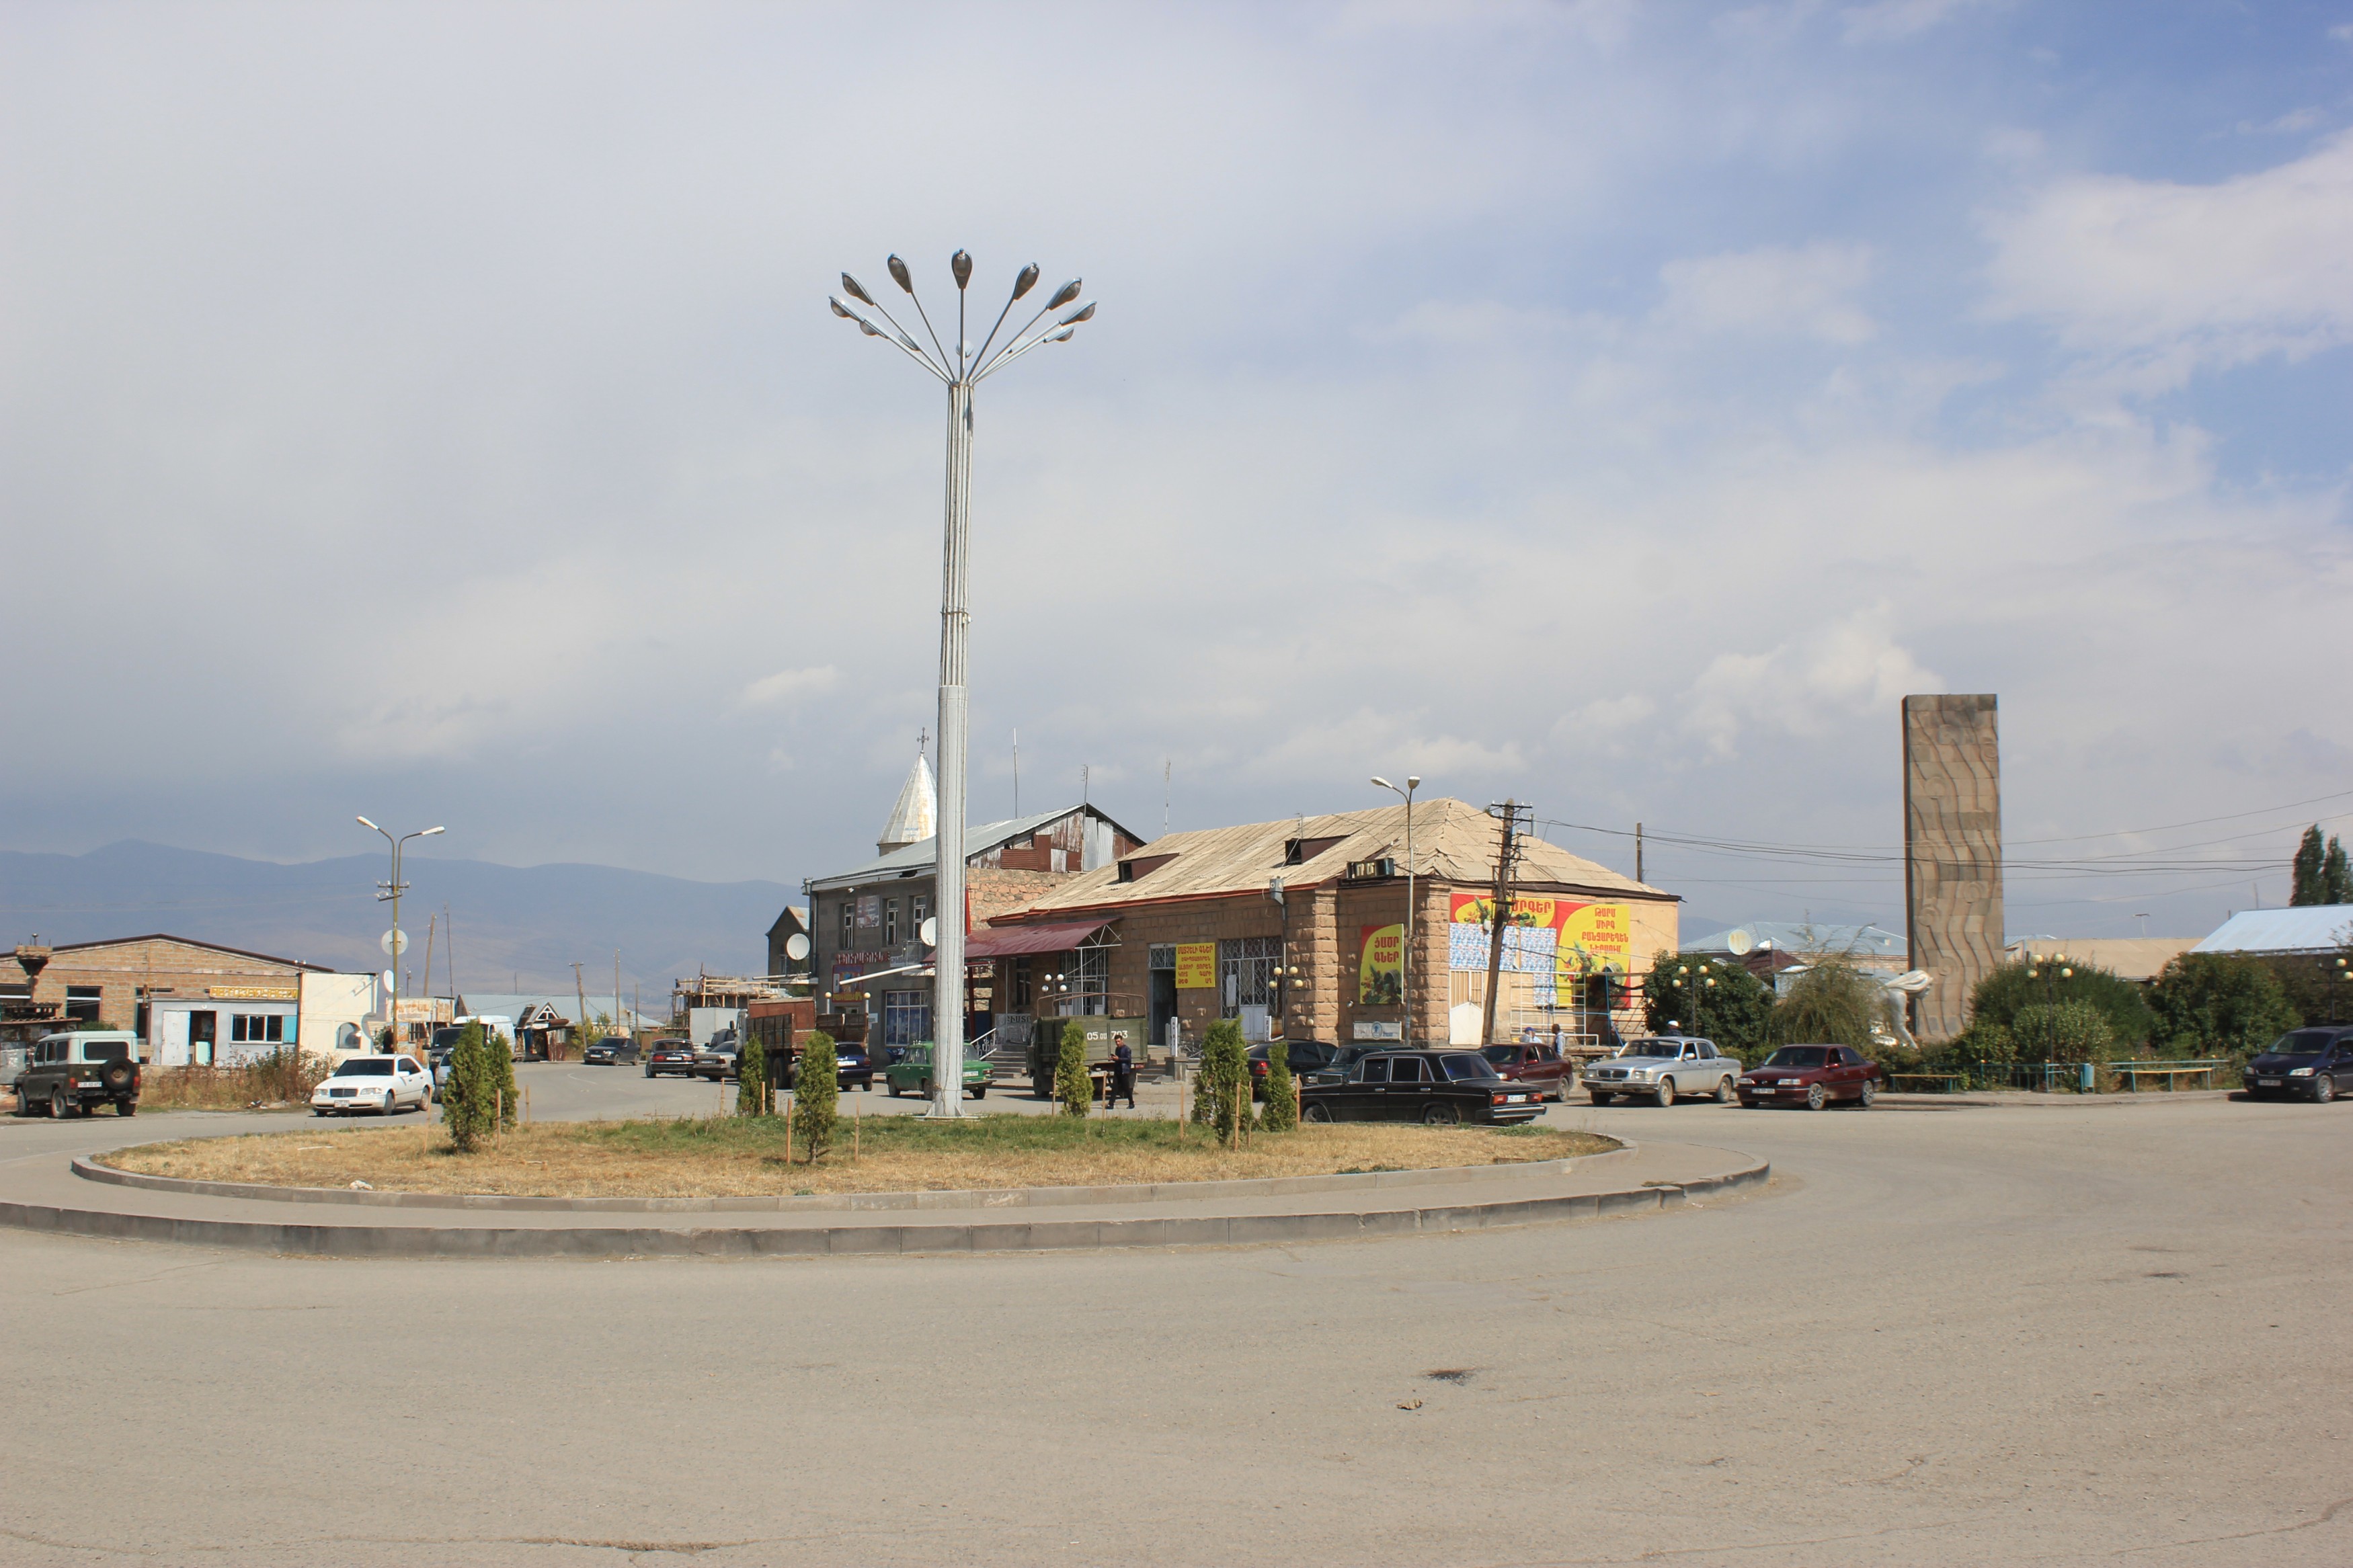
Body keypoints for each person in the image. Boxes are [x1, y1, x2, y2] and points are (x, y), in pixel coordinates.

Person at [1109, 1034, 1135, 1110]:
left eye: (1119, 1041)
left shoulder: (1127, 1049)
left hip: (1124, 1072)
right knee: (1114, 1088)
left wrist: (1119, 1059)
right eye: (1116, 1042)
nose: (1117, 1043)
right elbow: (1118, 1059)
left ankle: (1131, 1103)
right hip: (1118, 1072)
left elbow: (1128, 1059)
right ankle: (1111, 1104)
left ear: (1122, 1041)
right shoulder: (1117, 1049)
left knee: (1127, 1088)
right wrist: (1113, 1059)